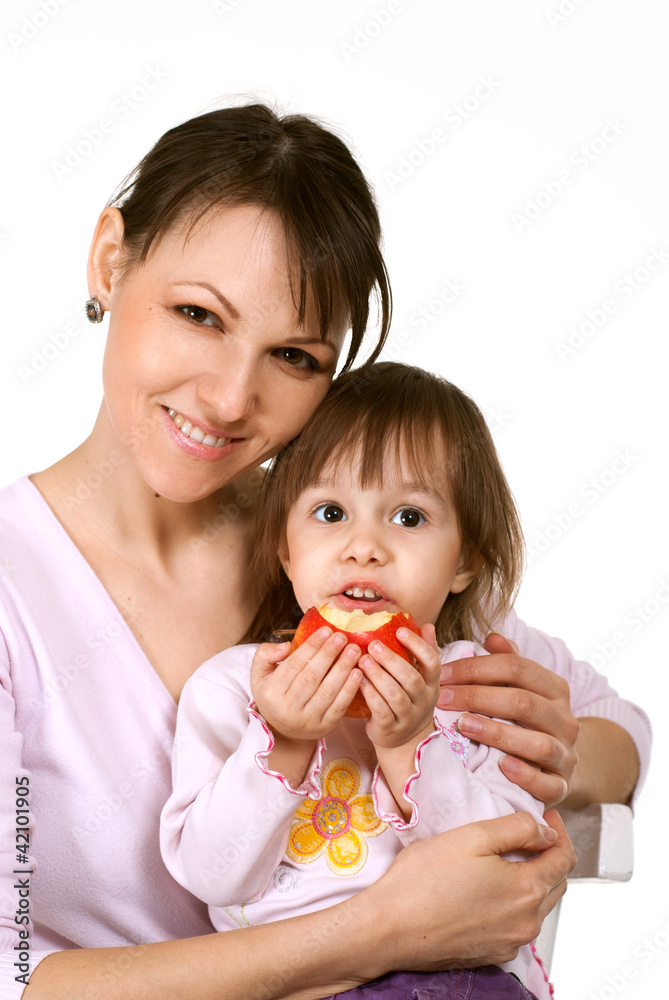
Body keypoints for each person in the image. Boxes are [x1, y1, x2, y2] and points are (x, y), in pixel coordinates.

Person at [0, 103, 647, 1000]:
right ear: (110, 260)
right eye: (197, 314)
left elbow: (615, 735)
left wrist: (551, 749)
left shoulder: (342, 545)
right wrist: (377, 932)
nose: (230, 398)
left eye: (295, 358)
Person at [160, 362, 569, 999]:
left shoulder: (472, 688)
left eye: (409, 517)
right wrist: (284, 741)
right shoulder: (237, 688)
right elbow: (213, 875)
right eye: (330, 512)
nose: (364, 546)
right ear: (286, 547)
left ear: (464, 560)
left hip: (458, 977)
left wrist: (410, 745)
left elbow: (513, 868)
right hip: (296, 982)